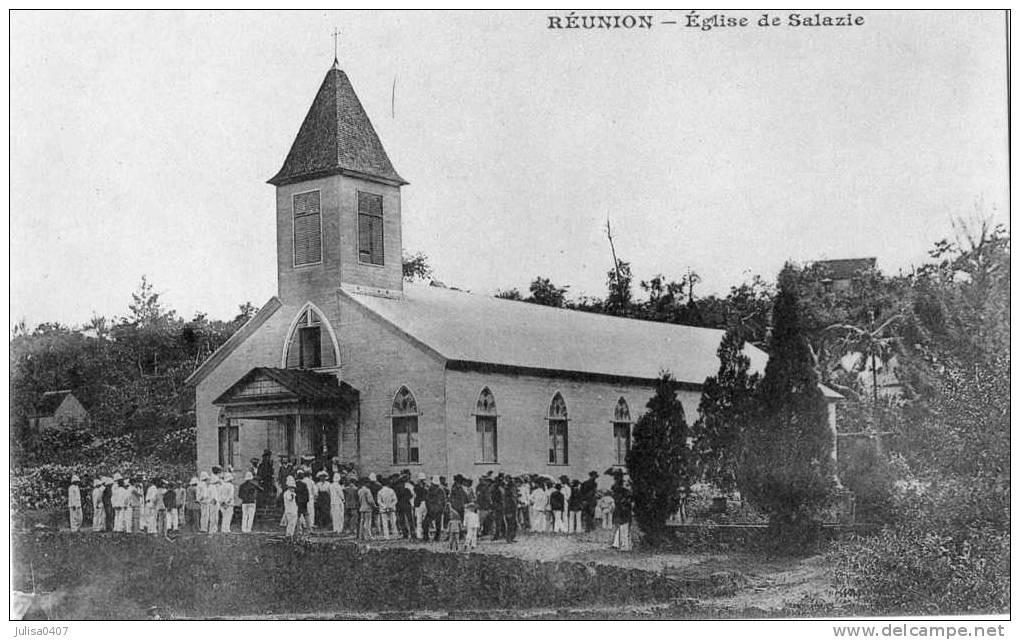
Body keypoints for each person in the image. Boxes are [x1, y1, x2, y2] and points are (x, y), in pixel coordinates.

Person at [610, 473, 632, 551]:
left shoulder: (616, 491)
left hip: (620, 511)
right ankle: (624, 546)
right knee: (624, 528)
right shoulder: (623, 492)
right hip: (624, 510)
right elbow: (627, 499)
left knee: (621, 528)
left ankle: (617, 544)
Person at [423, 476, 446, 542]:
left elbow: (427, 500)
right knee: (437, 524)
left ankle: (427, 537)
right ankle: (436, 537)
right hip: (437, 510)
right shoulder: (441, 490)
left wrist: (429, 508)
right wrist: (442, 509)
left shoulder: (431, 490)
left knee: (426, 523)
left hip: (433, 510)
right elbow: (444, 501)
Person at [397, 474, 415, 539]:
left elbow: (396, 496)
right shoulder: (409, 486)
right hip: (407, 504)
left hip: (400, 505)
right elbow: (411, 495)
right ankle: (412, 533)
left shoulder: (398, 487)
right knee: (410, 520)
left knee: (402, 520)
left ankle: (405, 534)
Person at [502, 477, 518, 543]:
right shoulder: (508, 492)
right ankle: (509, 538)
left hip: (513, 510)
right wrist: (508, 512)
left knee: (514, 524)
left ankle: (511, 538)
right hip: (509, 511)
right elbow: (507, 503)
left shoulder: (512, 491)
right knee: (510, 525)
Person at [294, 470, 310, 535]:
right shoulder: (304, 484)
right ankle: (309, 529)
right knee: (306, 516)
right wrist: (306, 501)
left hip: (297, 502)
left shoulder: (295, 484)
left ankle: (299, 530)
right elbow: (307, 494)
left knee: (297, 517)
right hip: (303, 502)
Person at [413, 473, 428, 539]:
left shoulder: (424, 486)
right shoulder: (418, 487)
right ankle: (419, 534)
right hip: (420, 504)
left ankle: (423, 534)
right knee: (419, 520)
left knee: (422, 520)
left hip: (422, 503)